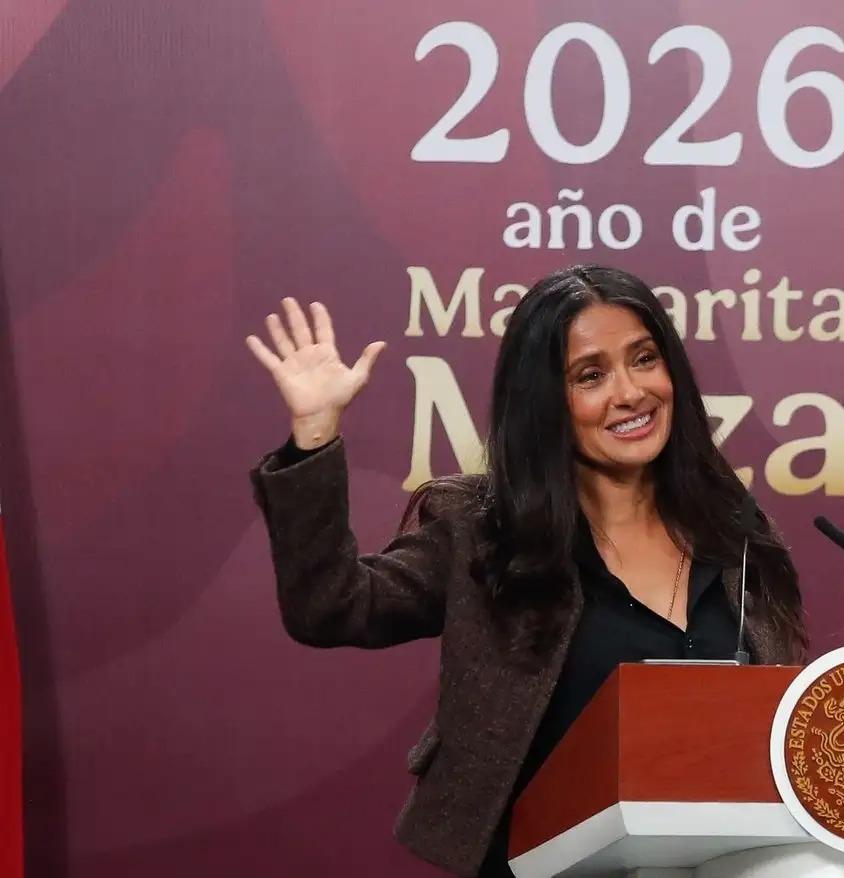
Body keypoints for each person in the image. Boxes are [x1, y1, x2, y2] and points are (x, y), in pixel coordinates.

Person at [246, 265, 807, 877]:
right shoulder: (485, 533)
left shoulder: (736, 531)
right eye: (590, 375)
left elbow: (779, 721)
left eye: (644, 359)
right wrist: (315, 434)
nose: (629, 393)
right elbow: (331, 606)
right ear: (545, 403)